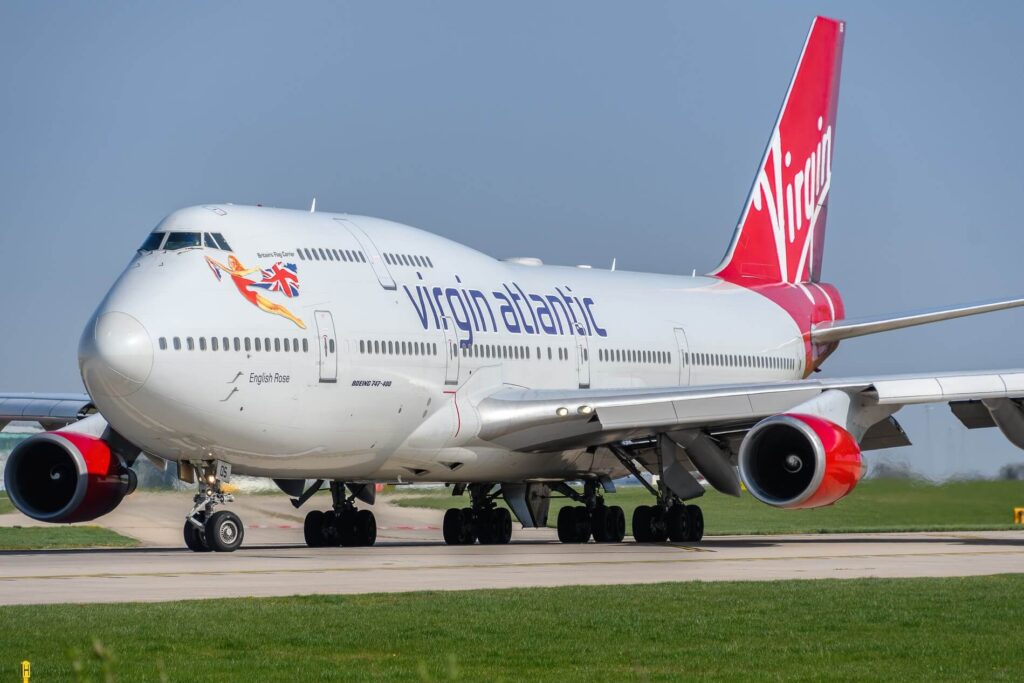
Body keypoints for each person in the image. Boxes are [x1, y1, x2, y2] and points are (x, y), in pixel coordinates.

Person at [205, 255, 306, 329]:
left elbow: (245, 272)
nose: (231, 264)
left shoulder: (237, 272)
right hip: (249, 294)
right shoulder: (234, 271)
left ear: (236, 262)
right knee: (275, 308)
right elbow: (223, 267)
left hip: (250, 293)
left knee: (275, 308)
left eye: (232, 262)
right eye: (229, 262)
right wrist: (211, 259)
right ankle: (295, 319)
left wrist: (254, 269)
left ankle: (295, 319)